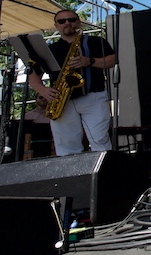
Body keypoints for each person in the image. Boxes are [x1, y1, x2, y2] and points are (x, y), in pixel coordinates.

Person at [28, 10, 116, 156]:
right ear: (56, 26)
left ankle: (103, 175)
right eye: (62, 21)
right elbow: (33, 75)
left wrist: (90, 61)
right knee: (66, 146)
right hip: (62, 100)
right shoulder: (51, 49)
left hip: (93, 96)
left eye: (72, 19)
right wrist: (43, 90)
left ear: (79, 23)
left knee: (99, 140)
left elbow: (112, 60)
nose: (67, 23)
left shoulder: (95, 41)